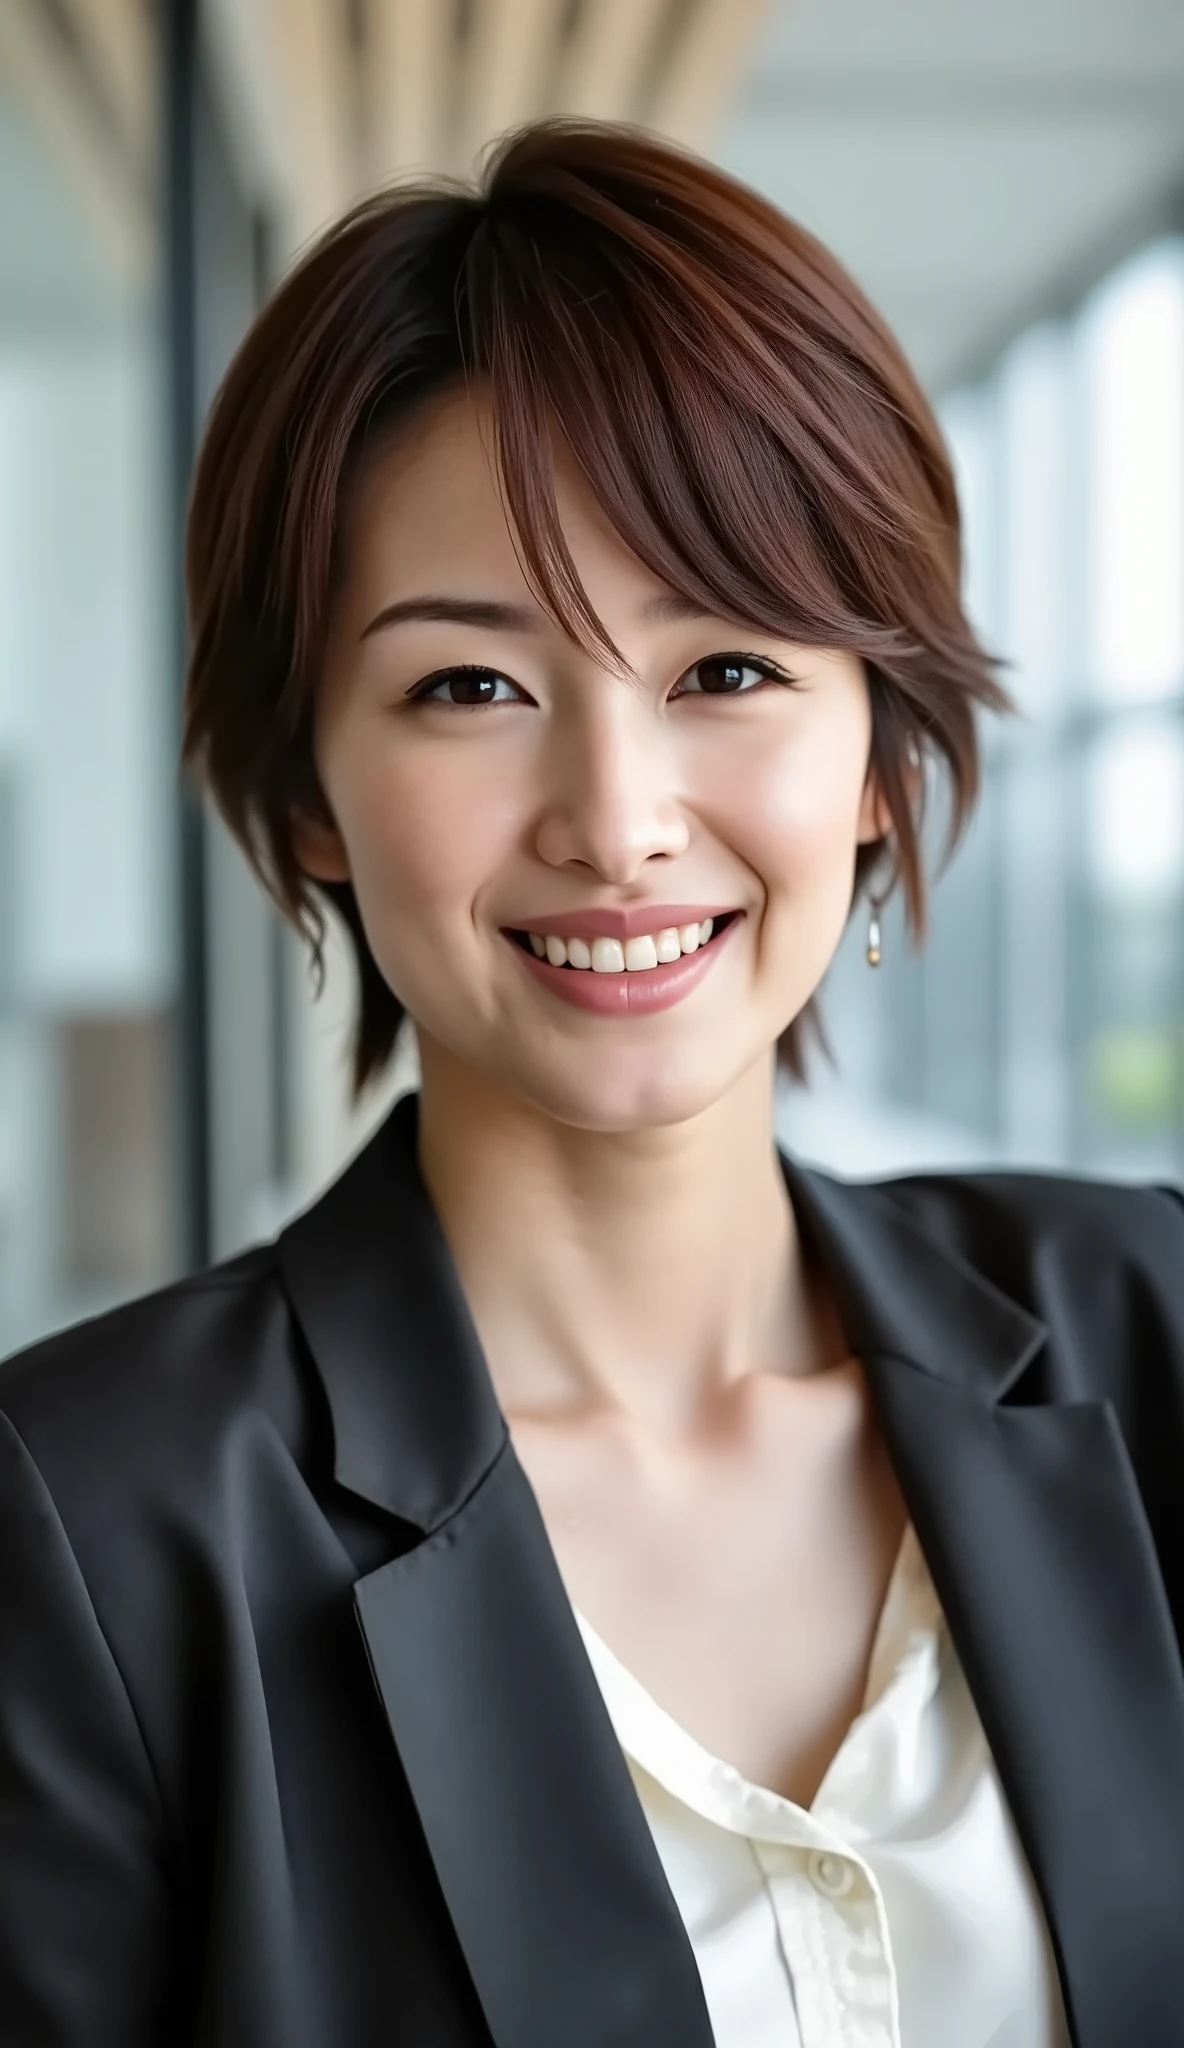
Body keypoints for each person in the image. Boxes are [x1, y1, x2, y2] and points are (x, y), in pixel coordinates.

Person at [1, 119, 1181, 2048]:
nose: (620, 824)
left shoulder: (1149, 1339)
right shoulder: (96, 1527)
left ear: (877, 751)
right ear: (307, 789)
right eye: (471, 687)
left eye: (725, 668)